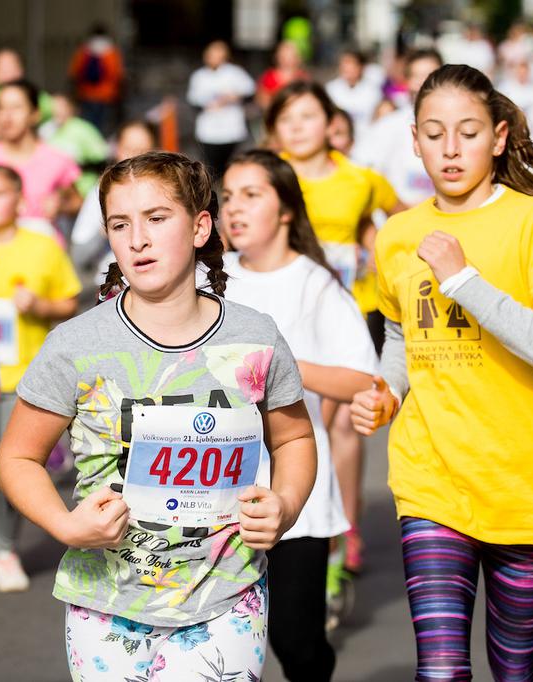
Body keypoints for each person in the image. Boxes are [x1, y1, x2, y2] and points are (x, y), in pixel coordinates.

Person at [0, 151, 316, 680]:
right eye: (121, 224)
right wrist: (65, 525)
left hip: (225, 592)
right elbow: (15, 458)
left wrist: (286, 503)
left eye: (156, 218)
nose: (137, 238)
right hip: (106, 600)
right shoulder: (76, 345)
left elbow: (294, 439)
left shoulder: (255, 336)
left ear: (199, 226)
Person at [350, 63, 533, 682]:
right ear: (414, 140)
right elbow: (403, 336)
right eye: (434, 133)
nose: (450, 149)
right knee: (440, 672)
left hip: (526, 484)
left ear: (500, 136)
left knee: (515, 669)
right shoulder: (398, 235)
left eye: (467, 132)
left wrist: (465, 281)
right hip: (432, 480)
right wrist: (387, 391)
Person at [221, 149, 377, 679]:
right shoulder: (209, 280)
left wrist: (279, 364)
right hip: (214, 487)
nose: (233, 209)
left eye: (251, 195)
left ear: (286, 208)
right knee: (218, 643)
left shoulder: (315, 283)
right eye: (226, 197)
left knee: (295, 641)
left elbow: (362, 378)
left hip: (295, 490)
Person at [267, 81, 400, 580]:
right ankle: (297, 518)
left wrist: (377, 246)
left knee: (344, 421)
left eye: (307, 116)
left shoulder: (360, 179)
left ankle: (345, 527)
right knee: (297, 420)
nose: (297, 127)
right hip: (288, 312)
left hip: (350, 309)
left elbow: (397, 222)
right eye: (287, 118)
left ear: (331, 123)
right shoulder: (268, 175)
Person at [0, 165, 81, 591]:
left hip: (25, 377)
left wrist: (40, 303)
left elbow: (70, 302)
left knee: (10, 469)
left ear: (20, 201)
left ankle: (3, 548)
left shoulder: (43, 248)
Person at [0, 79, 83, 239]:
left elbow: (78, 202)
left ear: (35, 114)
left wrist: (61, 206)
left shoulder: (57, 159)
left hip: (43, 252)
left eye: (16, 107)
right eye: (1, 108)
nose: (7, 116)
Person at [353, 49, 443, 208]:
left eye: (431, 75)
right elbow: (361, 173)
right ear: (407, 81)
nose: (424, 82)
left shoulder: (459, 129)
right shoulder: (388, 126)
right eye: (417, 76)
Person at [71, 120, 161, 274]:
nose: (135, 158)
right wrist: (111, 224)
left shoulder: (166, 192)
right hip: (112, 284)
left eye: (143, 152)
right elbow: (78, 256)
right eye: (129, 149)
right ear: (117, 149)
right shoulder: (101, 192)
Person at [187, 40, 256, 176]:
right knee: (210, 168)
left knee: (231, 167)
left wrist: (234, 97)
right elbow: (193, 101)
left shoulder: (235, 73)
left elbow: (250, 91)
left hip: (231, 130)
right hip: (209, 131)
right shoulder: (199, 76)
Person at [39, 92, 110, 198]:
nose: (57, 110)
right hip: (54, 192)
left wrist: (73, 168)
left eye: (62, 106)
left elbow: (102, 160)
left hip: (83, 190)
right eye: (53, 106)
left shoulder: (83, 129)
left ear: (71, 108)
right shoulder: (45, 130)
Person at [68, 23, 126, 133]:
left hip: (86, 95)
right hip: (107, 96)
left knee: (88, 125)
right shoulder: (112, 52)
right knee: (104, 126)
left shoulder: (84, 51)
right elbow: (118, 75)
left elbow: (74, 73)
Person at [325, 50, 384, 139]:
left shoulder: (373, 92)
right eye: (344, 65)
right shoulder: (331, 89)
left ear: (361, 67)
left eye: (351, 65)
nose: (347, 69)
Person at [257, 41, 309, 111]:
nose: (287, 60)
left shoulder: (302, 77)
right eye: (284, 56)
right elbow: (263, 100)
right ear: (277, 57)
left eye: (291, 56)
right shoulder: (269, 77)